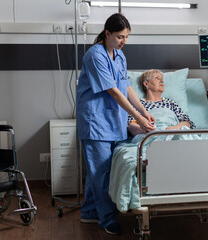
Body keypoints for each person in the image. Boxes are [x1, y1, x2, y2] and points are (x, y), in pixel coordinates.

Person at [76, 13, 156, 235]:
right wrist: (138, 119)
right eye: (120, 36)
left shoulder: (119, 56)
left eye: (127, 37)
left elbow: (126, 87)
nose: (123, 41)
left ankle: (90, 212)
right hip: (96, 123)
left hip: (113, 121)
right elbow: (113, 91)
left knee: (99, 171)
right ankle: (107, 219)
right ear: (107, 33)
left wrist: (144, 111)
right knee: (102, 174)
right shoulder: (95, 56)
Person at [127, 69, 195, 136]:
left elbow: (187, 122)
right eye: (157, 78)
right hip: (148, 135)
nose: (162, 81)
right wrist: (145, 130)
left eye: (162, 79)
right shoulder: (138, 104)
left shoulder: (170, 102)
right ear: (146, 83)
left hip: (172, 134)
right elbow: (130, 125)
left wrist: (175, 128)